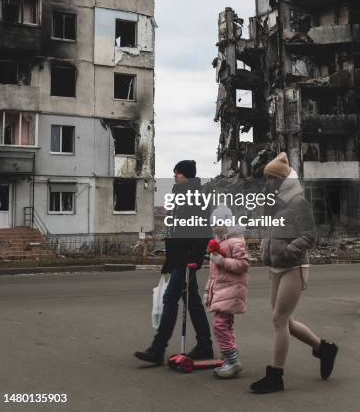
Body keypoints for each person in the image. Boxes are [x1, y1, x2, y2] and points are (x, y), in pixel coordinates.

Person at [250, 152, 338, 394]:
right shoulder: (275, 201)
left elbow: (310, 236)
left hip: (295, 266)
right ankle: (323, 349)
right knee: (284, 321)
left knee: (279, 320)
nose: (266, 182)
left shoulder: (299, 201)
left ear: (280, 178)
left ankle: (275, 376)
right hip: (275, 267)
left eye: (269, 178)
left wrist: (289, 249)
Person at [134, 160, 213, 365]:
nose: (175, 175)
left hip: (187, 261)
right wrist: (169, 260)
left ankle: (158, 349)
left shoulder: (197, 197)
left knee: (170, 299)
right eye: (174, 172)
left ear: (187, 175)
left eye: (178, 173)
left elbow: (203, 231)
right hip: (177, 259)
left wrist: (194, 259)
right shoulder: (179, 195)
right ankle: (205, 345)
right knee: (192, 302)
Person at [205, 205, 249, 378]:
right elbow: (213, 274)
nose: (214, 226)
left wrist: (223, 261)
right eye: (213, 223)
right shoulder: (219, 243)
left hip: (231, 290)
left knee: (220, 325)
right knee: (226, 325)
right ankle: (230, 357)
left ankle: (233, 361)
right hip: (222, 291)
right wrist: (208, 292)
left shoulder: (235, 241)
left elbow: (243, 264)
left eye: (217, 223)